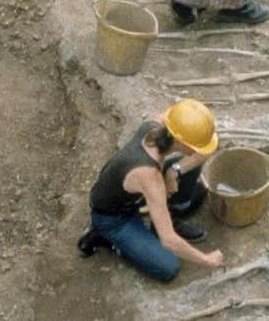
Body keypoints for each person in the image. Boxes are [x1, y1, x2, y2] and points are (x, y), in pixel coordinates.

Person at [79, 100, 225, 281]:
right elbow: (169, 241)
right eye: (194, 145)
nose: (198, 150)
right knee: (168, 267)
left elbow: (205, 150)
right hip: (113, 217)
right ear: (179, 140)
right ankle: (105, 237)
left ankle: (167, 217)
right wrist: (207, 260)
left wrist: (173, 171)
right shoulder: (150, 176)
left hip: (133, 195)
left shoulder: (161, 122)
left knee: (188, 166)